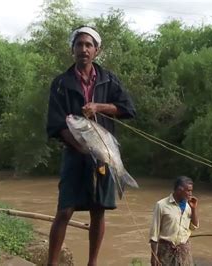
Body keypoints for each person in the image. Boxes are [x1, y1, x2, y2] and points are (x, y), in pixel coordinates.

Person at [46, 26, 136, 266]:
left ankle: (92, 263)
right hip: (75, 154)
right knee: (65, 210)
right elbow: (56, 124)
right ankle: (51, 263)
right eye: (79, 45)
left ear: (97, 50)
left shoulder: (109, 79)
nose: (83, 49)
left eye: (88, 45)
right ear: (72, 49)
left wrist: (99, 107)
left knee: (98, 211)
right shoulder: (60, 83)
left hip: (104, 154)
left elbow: (128, 109)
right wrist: (80, 146)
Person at [149, 176, 199, 266]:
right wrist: (153, 256)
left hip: (183, 251)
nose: (191, 194)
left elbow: (194, 227)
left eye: (191, 191)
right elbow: (154, 234)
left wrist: (194, 209)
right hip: (165, 251)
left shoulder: (189, 206)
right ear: (179, 190)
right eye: (188, 190)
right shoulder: (161, 205)